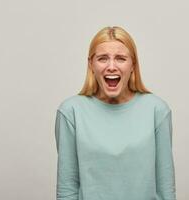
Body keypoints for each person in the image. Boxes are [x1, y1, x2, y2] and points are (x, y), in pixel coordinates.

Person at [54, 26, 176, 200]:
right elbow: (67, 189)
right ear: (91, 64)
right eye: (102, 59)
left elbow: (166, 190)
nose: (111, 66)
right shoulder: (71, 112)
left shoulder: (157, 110)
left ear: (133, 64)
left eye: (120, 58)